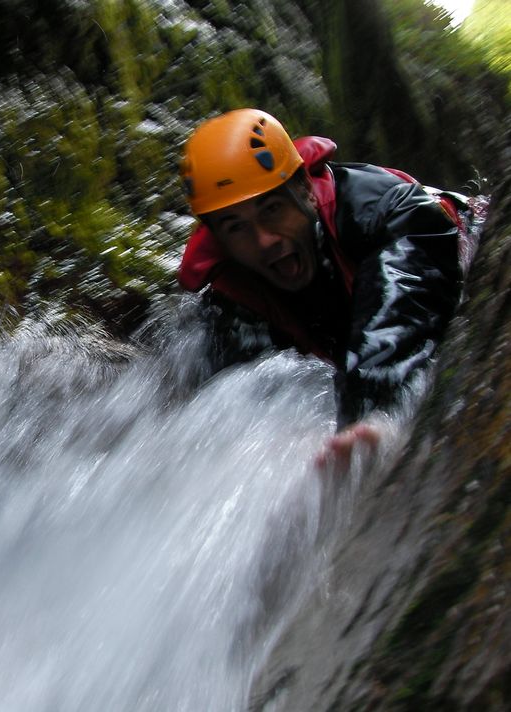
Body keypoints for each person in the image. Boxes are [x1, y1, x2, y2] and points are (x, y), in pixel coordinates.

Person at [177, 108, 475, 467]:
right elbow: (232, 411)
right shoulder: (232, 298)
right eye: (236, 228)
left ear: (304, 189)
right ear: (219, 239)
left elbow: (402, 312)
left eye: (272, 209)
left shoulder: (385, 211)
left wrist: (370, 414)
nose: (264, 240)